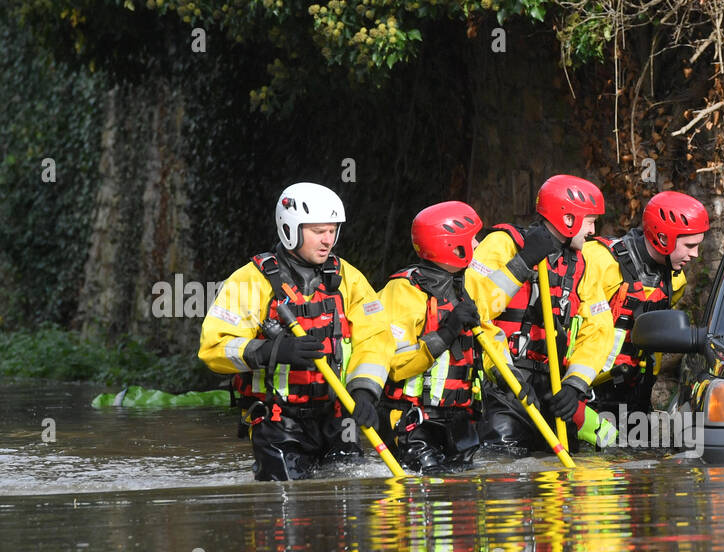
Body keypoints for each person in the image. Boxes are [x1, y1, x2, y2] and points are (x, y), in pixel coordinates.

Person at [198, 182, 390, 481]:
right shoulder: (250, 281)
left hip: (337, 417)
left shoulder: (348, 278)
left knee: (346, 510)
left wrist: (364, 391)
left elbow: (375, 338)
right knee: (286, 514)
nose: (328, 240)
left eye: (332, 230)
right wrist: (272, 351)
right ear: (290, 228)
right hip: (279, 422)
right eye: (318, 231)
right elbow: (214, 348)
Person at [464, 174, 617, 454]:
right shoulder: (504, 244)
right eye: (591, 221)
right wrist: (522, 263)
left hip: (554, 386)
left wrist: (575, 386)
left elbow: (598, 330)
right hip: (506, 385)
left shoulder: (582, 265)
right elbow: (474, 308)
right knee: (504, 470)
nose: (594, 231)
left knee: (594, 449)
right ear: (568, 219)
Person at [376, 201, 490, 472]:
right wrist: (447, 332)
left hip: (460, 420)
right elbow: (397, 365)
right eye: (472, 239)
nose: (478, 245)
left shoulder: (466, 285)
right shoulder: (402, 291)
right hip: (413, 423)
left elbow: (490, 333)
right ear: (453, 245)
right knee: (428, 492)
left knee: (467, 499)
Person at [588, 190, 709, 418]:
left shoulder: (675, 279)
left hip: (636, 393)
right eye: (689, 245)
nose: (695, 254)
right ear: (663, 238)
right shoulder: (599, 261)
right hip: (588, 391)